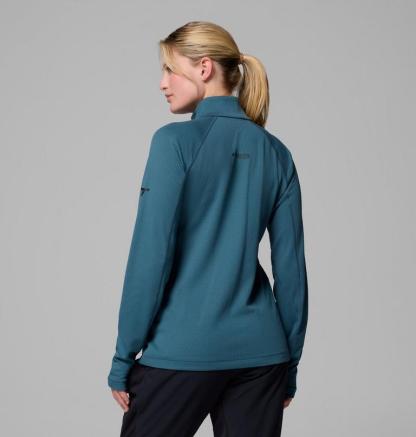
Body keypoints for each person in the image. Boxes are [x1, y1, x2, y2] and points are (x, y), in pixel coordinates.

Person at [107, 20, 309, 437]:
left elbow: (151, 254)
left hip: (183, 349)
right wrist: (289, 362)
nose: (162, 83)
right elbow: (291, 271)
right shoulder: (277, 153)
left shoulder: (172, 143)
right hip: (262, 355)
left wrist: (124, 355)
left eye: (169, 69)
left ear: (204, 68)